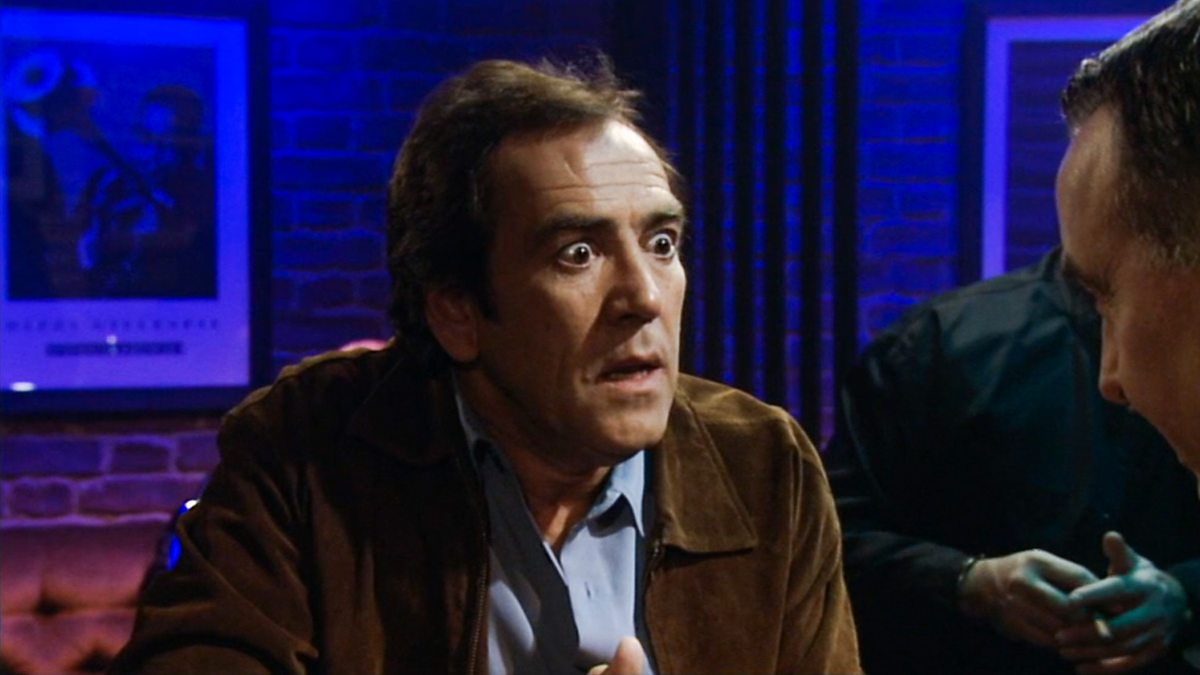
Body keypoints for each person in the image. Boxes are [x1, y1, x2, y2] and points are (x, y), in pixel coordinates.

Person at [110, 58, 860, 674]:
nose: (643, 297)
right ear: (457, 313)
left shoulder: (763, 464)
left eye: (662, 243)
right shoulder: (305, 451)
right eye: (578, 253)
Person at [828, 246, 1200, 674]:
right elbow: (832, 536)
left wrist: (1184, 592)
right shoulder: (936, 342)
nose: (1113, 382)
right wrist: (967, 580)